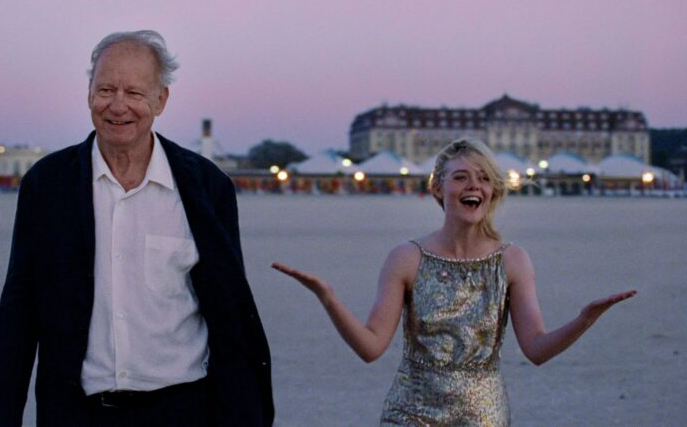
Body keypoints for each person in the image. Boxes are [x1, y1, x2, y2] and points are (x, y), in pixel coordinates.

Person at [0, 30, 273, 427]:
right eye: (105, 89)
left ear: (161, 100)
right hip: (75, 412)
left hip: (184, 411)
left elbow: (230, 315)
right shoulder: (47, 185)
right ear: (88, 93)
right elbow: (18, 314)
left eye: (134, 93)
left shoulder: (207, 188)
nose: (117, 105)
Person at [272, 137, 636, 426]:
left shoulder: (512, 260)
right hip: (410, 412)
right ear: (438, 188)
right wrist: (328, 298)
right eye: (460, 176)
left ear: (492, 191)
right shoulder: (406, 257)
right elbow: (370, 348)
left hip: (483, 416)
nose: (472, 184)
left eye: (482, 178)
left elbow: (536, 350)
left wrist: (584, 319)